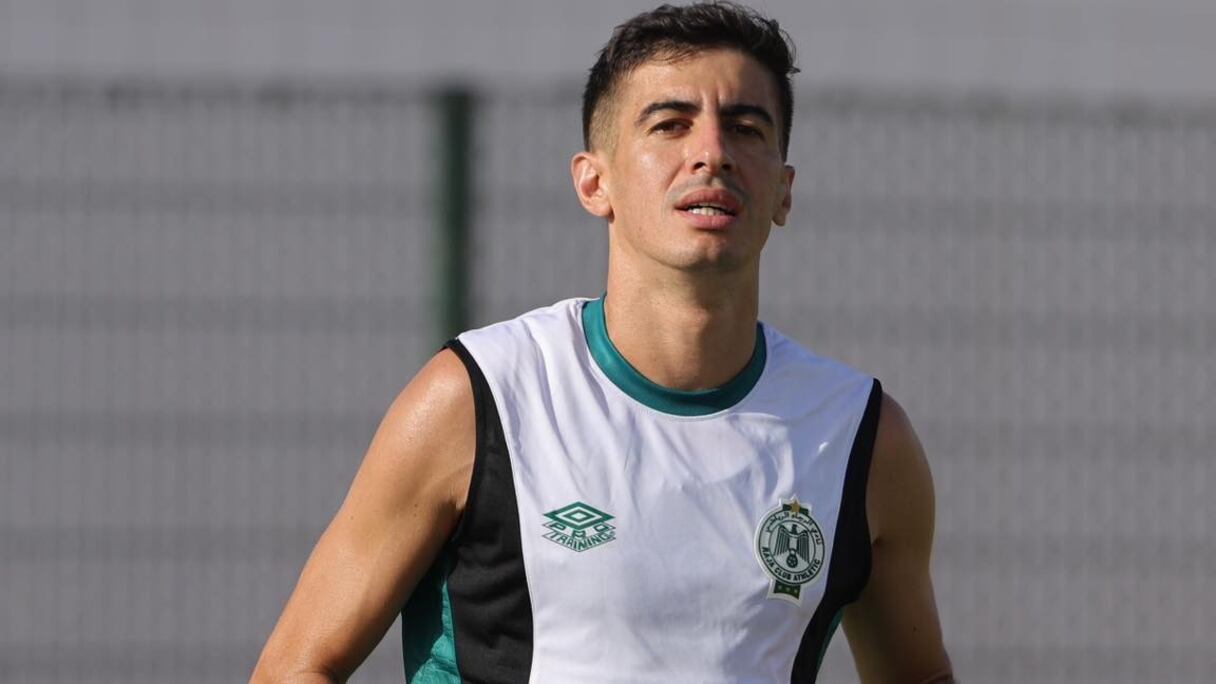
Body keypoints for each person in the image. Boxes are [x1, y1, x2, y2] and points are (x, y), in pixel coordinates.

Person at [251, 2, 953, 682]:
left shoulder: (861, 436)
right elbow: (295, 667)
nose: (712, 153)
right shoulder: (478, 399)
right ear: (594, 182)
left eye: (745, 128)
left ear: (784, 192)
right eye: (670, 125)